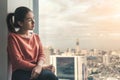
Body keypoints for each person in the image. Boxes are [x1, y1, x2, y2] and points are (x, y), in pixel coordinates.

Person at [6, 6, 58, 80]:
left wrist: (39, 66)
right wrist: (40, 67)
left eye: (33, 18)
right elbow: (18, 62)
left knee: (51, 76)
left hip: (37, 69)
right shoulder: (13, 37)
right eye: (30, 20)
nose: (34, 22)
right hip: (21, 72)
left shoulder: (36, 37)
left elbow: (42, 55)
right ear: (20, 23)